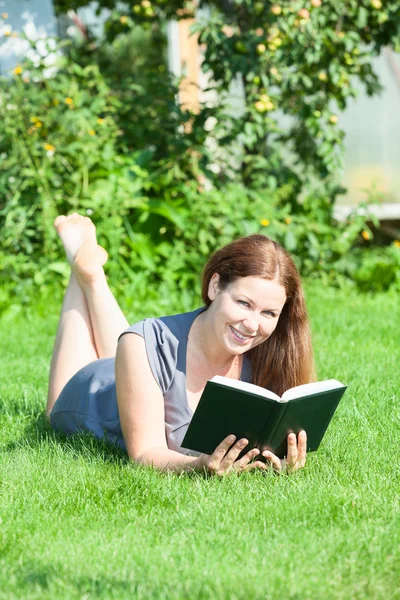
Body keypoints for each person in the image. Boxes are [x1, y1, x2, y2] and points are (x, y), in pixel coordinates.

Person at [47, 213, 315, 475]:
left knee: (136, 346)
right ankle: (83, 270)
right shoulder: (143, 344)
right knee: (132, 345)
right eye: (243, 303)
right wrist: (199, 466)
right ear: (214, 287)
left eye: (269, 313)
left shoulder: (269, 351)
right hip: (92, 392)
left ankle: (91, 275)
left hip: (139, 371)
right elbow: (144, 453)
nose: (253, 325)